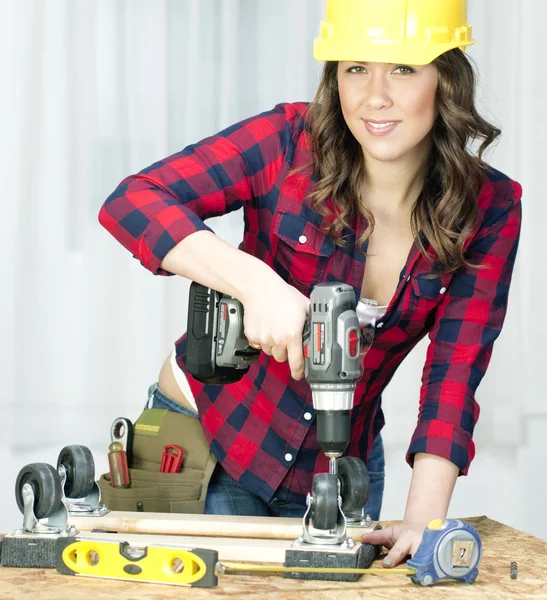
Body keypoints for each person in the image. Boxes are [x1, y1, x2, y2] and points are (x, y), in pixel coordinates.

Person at [98, 0, 522, 568]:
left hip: (340, 470)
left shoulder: (489, 207)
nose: (376, 95)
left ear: (446, 78)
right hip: (206, 447)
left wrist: (424, 521)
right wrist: (258, 286)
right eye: (355, 68)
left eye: (402, 68)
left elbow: (456, 369)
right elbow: (134, 201)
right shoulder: (288, 143)